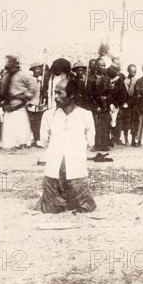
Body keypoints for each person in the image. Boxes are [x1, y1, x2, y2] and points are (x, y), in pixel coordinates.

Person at [35, 79, 97, 213]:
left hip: (76, 171)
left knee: (83, 206)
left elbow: (90, 143)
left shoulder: (85, 115)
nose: (55, 97)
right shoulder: (48, 115)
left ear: (71, 95)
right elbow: (44, 141)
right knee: (51, 208)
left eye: (59, 93)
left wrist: (73, 155)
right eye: (54, 93)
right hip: (53, 172)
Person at [0, 55, 36, 151]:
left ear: (15, 64)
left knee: (21, 125)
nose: (8, 64)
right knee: (8, 127)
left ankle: (22, 144)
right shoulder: (6, 75)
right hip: (8, 104)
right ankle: (10, 145)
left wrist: (25, 96)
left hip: (19, 104)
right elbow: (2, 88)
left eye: (10, 62)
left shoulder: (23, 75)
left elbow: (32, 86)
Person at [86, 57, 112, 151]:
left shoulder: (107, 79)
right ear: (96, 67)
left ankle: (104, 145)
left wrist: (107, 98)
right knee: (95, 125)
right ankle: (95, 144)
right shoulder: (91, 80)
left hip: (105, 106)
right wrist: (95, 106)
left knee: (105, 125)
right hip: (95, 106)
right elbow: (89, 95)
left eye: (105, 65)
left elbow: (110, 92)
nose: (104, 67)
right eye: (102, 65)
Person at [27, 62, 48, 147]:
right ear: (33, 70)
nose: (38, 71)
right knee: (30, 121)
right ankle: (30, 138)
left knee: (38, 122)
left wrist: (44, 101)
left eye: (39, 69)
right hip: (31, 103)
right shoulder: (29, 79)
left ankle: (38, 139)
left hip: (39, 103)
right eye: (36, 69)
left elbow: (46, 91)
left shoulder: (43, 80)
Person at [120, 64, 139, 146]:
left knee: (134, 122)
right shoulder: (125, 81)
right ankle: (126, 139)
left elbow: (137, 93)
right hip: (127, 105)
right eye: (132, 71)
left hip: (134, 105)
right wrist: (132, 85)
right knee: (126, 122)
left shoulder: (136, 80)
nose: (134, 73)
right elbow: (129, 93)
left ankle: (133, 140)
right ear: (128, 71)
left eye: (135, 71)